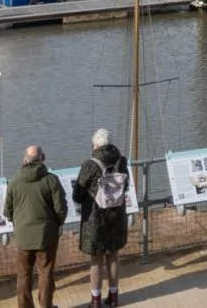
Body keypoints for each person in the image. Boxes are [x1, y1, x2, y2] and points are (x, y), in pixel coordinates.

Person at [73, 128, 133, 307]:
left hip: (95, 219)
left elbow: (77, 194)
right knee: (113, 255)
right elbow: (126, 185)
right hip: (116, 216)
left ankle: (95, 300)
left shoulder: (89, 164)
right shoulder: (121, 161)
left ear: (96, 145)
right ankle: (114, 297)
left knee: (96, 259)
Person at [4, 144, 68, 308]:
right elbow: (61, 208)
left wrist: (19, 224)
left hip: (23, 237)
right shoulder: (51, 180)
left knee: (23, 275)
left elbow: (7, 211)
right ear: (43, 158)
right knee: (45, 273)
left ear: (24, 159)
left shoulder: (14, 181)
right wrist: (57, 223)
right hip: (46, 236)